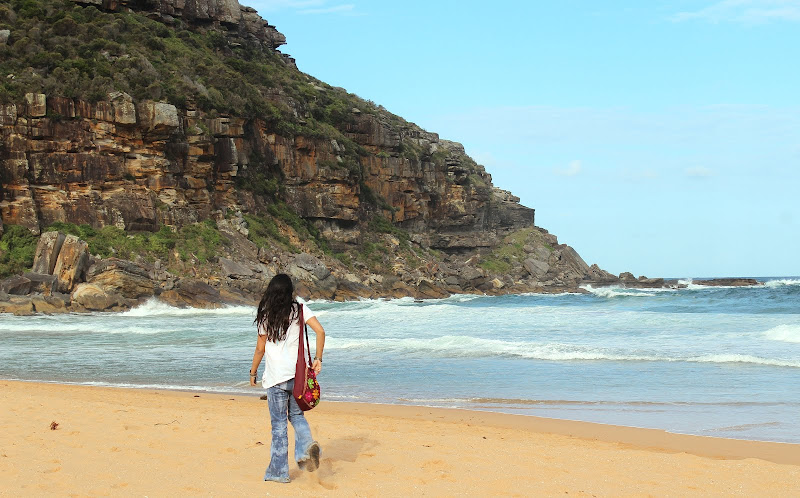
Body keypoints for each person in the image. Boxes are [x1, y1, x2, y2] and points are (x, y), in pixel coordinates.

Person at [249, 273, 326, 483]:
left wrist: (253, 372)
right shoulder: (300, 310)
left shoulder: (266, 315)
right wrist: (318, 358)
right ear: (290, 291)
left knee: (278, 426)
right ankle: (306, 448)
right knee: (297, 416)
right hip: (297, 375)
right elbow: (320, 331)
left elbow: (260, 349)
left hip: (275, 378)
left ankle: (279, 472)